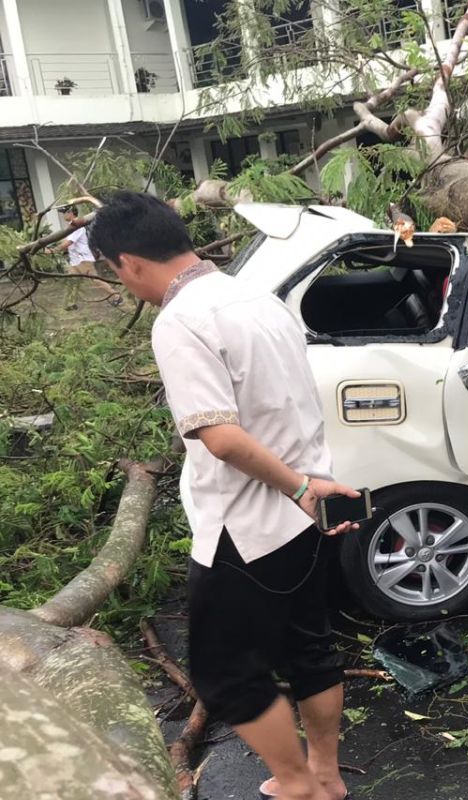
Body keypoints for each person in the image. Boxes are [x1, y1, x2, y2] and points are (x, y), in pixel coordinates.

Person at [90, 191, 361, 800]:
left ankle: (297, 784)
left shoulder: (181, 320)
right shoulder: (256, 296)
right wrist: (305, 485)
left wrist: (292, 488)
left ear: (128, 263)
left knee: (225, 675)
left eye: (115, 272)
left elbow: (220, 437)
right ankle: (325, 773)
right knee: (308, 648)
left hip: (248, 525)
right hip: (306, 510)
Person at [51, 204, 121, 309]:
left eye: (64, 213)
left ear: (71, 213)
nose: (63, 216)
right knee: (72, 281)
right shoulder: (71, 226)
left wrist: (53, 250)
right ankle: (71, 303)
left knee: (96, 280)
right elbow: (65, 242)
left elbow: (68, 243)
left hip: (83, 259)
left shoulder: (77, 226)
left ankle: (116, 296)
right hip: (76, 260)